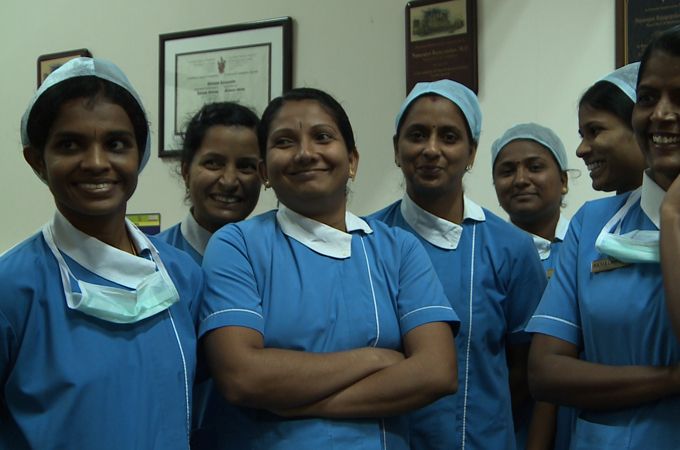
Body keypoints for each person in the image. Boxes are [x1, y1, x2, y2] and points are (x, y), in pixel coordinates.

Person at [198, 87, 460, 449]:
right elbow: (241, 377)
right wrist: (375, 358)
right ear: (264, 171)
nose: (306, 153)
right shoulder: (236, 245)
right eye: (284, 142)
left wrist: (302, 404)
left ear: (352, 161)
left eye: (322, 137)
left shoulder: (398, 249)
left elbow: (437, 372)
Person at [0, 58, 203, 449]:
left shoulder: (182, 276)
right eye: (69, 144)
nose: (96, 163)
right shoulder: (12, 290)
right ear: (37, 159)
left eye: (115, 144)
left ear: (139, 153)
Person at [370, 80, 547, 450]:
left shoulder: (511, 248)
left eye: (449, 137)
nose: (431, 149)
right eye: (417, 135)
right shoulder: (365, 241)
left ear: (472, 152)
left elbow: (527, 368)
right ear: (397, 149)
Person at [527, 25, 680, 449]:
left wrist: (672, 216)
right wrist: (671, 379)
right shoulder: (592, 224)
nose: (662, 114)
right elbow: (545, 372)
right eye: (647, 98)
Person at [157, 102, 261, 264]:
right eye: (213, 163)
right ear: (186, 172)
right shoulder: (152, 259)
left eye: (246, 166)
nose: (229, 182)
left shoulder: (272, 260)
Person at [492, 122, 570, 277]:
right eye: (507, 171)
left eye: (535, 167)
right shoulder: (485, 258)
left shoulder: (587, 245)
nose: (520, 180)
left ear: (563, 181)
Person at [577, 62, 648, 194]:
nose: (580, 150)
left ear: (641, 126)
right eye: (582, 136)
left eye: (594, 131)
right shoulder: (594, 210)